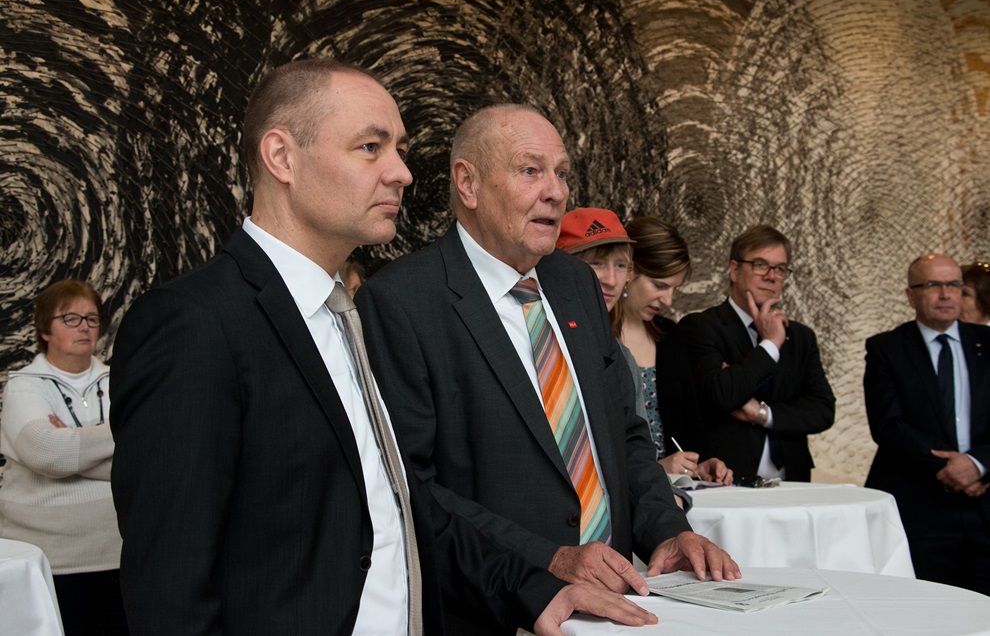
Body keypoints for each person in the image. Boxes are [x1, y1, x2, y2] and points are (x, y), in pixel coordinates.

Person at [109, 60, 656, 635]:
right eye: (370, 147)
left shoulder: (339, 314)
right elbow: (170, 592)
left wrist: (535, 591)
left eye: (399, 149)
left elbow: (402, 509)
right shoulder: (193, 323)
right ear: (282, 157)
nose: (402, 173)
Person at [357, 104, 739, 635]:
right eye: (530, 170)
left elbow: (624, 434)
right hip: (501, 612)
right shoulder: (401, 301)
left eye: (562, 173)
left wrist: (667, 530)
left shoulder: (575, 283)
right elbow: (412, 489)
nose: (556, 192)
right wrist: (549, 559)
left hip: (618, 606)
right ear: (468, 183)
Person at [0, 279, 129, 636]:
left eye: (91, 318)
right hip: (48, 560)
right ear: (45, 330)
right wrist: (121, 432)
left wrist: (73, 444)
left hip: (119, 554)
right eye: (70, 318)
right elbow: (47, 453)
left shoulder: (121, 382)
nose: (84, 327)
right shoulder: (23, 386)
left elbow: (150, 459)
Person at [863, 253, 990, 595]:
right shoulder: (886, 348)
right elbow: (888, 426)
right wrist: (954, 467)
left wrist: (978, 464)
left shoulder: (987, 343)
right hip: (920, 507)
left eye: (954, 285)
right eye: (933, 285)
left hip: (984, 500)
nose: (946, 294)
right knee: (926, 607)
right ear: (911, 295)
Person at [679, 225, 835, 481]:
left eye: (780, 268)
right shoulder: (700, 327)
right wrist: (771, 344)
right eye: (760, 265)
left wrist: (761, 414)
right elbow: (720, 394)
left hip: (792, 483)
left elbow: (823, 411)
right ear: (734, 270)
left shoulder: (801, 337)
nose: (771, 276)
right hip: (726, 481)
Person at [612, 215, 732, 485]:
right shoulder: (593, 336)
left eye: (674, 288)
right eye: (659, 285)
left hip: (674, 493)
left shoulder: (670, 335)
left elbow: (691, 421)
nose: (668, 300)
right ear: (629, 271)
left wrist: (703, 463)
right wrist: (657, 468)